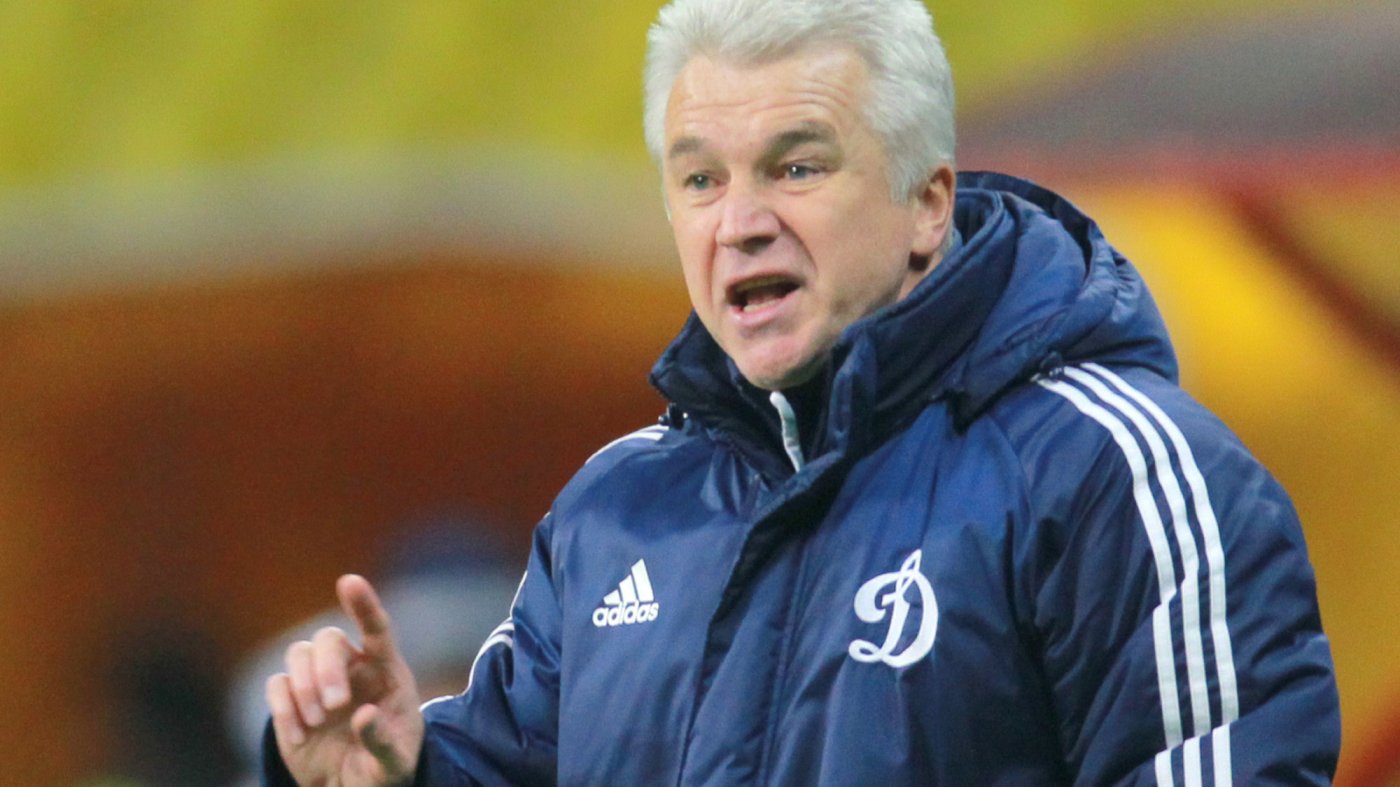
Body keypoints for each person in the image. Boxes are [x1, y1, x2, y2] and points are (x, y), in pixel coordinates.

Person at [263, 0, 1342, 783]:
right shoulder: (614, 511)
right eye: (700, 178)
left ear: (927, 204)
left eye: (796, 166)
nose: (739, 223)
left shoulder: (1112, 473)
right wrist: (399, 772)